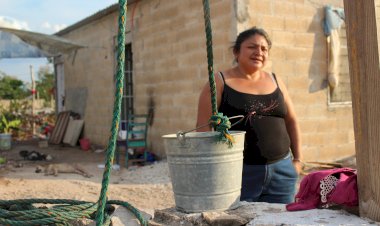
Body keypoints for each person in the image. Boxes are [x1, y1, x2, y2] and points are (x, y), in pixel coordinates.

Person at [196, 27, 302, 204]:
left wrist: (297, 161)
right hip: (239, 173)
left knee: (281, 221)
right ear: (236, 51)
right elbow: (203, 127)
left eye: (264, 49)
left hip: (282, 170)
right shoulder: (219, 81)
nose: (259, 52)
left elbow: (291, 121)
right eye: (252, 47)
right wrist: (214, 169)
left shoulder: (276, 80)